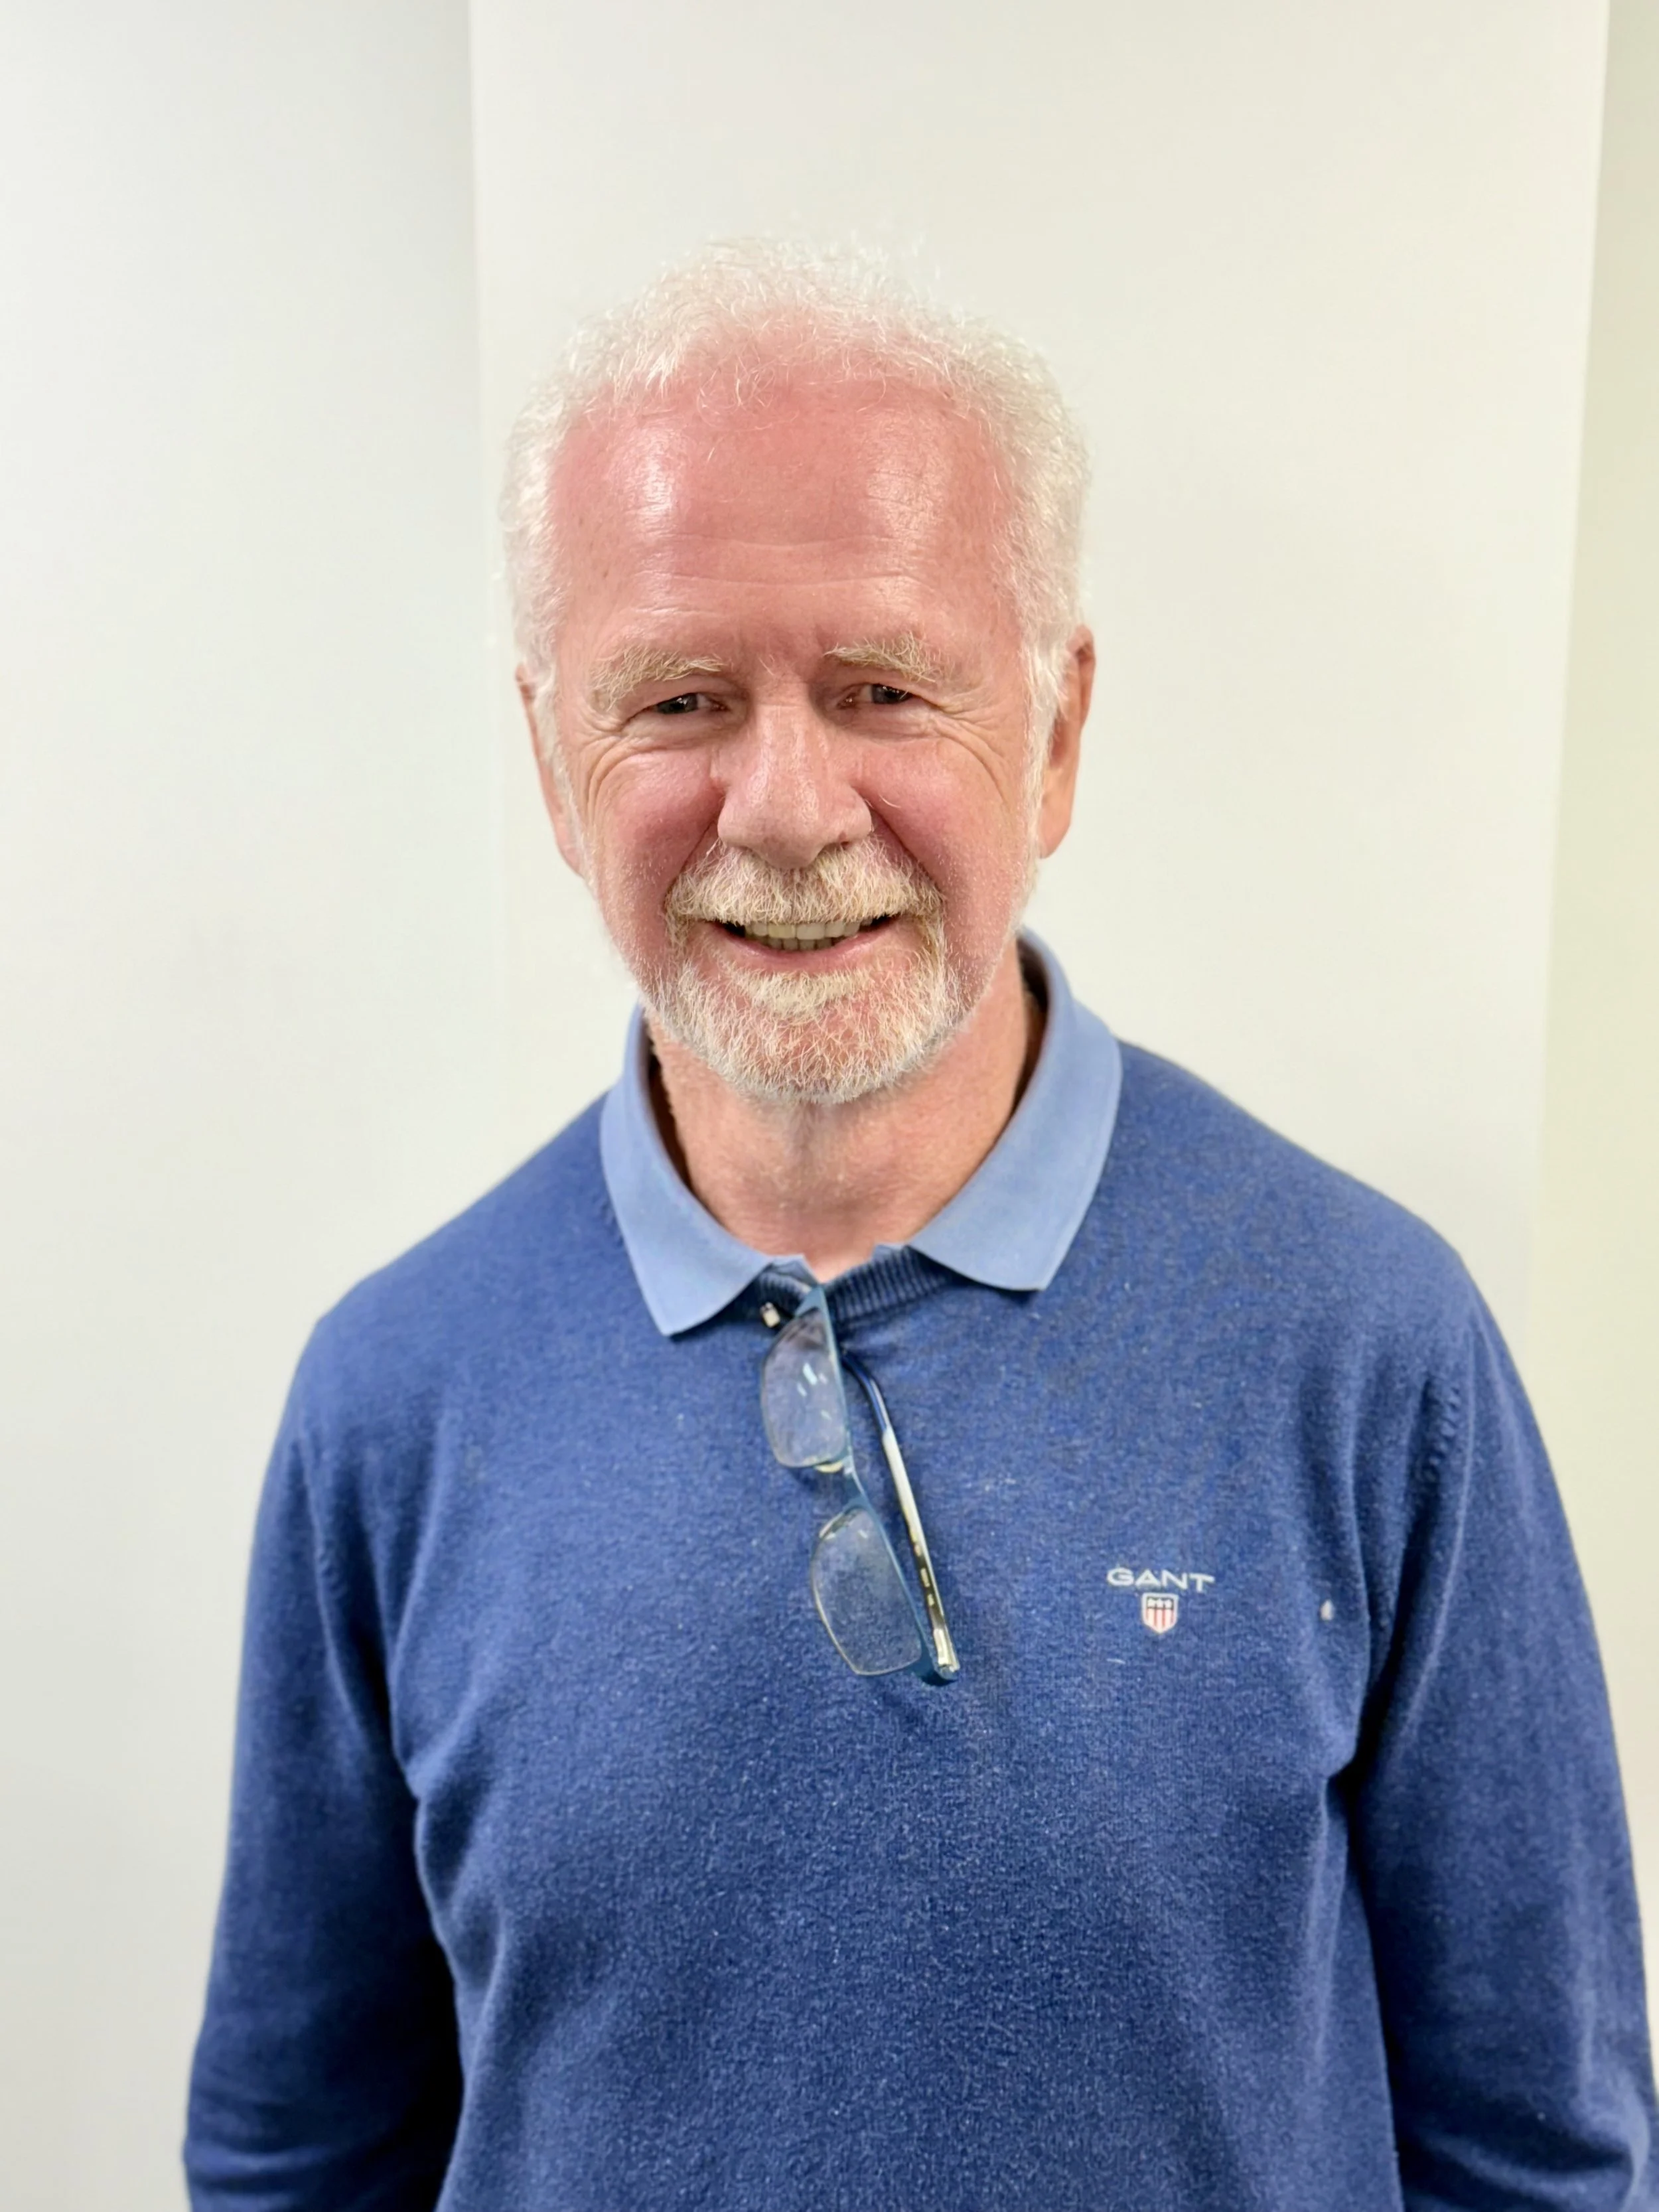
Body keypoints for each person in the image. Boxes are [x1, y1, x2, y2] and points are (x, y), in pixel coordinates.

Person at [185, 242, 1656, 2211]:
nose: (787, 809)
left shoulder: (1373, 1348)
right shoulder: (392, 1396)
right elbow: (298, 2154)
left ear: (1053, 731)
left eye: (883, 689)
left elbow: (1544, 2151)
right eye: (680, 699)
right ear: (552, 759)